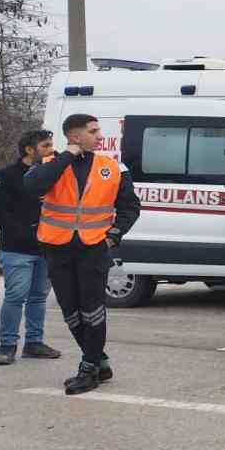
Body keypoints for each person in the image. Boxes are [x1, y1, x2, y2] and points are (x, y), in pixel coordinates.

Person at [24, 114, 141, 395]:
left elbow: (129, 207)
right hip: (57, 248)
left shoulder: (112, 167)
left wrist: (113, 237)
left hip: (93, 249)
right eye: (93, 131)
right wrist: (67, 156)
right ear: (75, 137)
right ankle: (99, 362)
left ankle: (88, 368)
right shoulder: (50, 164)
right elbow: (32, 186)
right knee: (71, 312)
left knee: (92, 310)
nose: (99, 136)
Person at [0, 129, 60, 365]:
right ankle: (7, 346)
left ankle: (34, 343)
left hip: (47, 248)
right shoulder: (6, 175)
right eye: (46, 145)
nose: (52, 149)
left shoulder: (53, 173)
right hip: (17, 249)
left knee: (38, 297)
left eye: (52, 144)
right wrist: (25, 233)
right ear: (30, 150)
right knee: (15, 296)